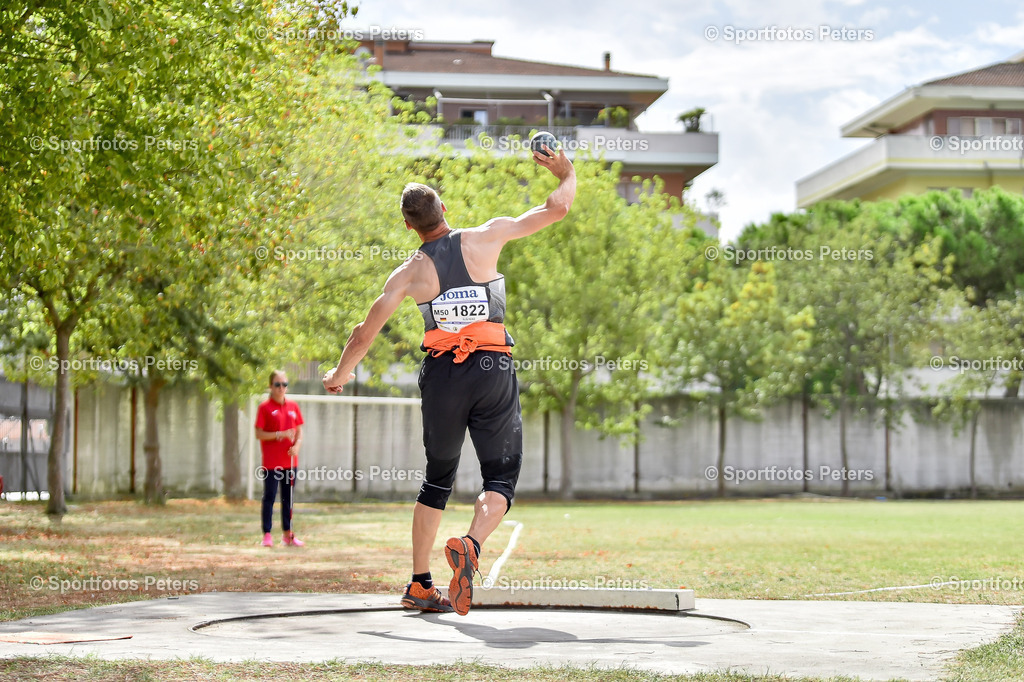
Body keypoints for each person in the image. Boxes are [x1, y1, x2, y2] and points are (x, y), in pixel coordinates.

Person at [322, 145, 576, 615]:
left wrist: (339, 375)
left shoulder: (407, 274)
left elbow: (364, 332)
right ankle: (472, 546)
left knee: (436, 479)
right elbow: (557, 207)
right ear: (444, 211)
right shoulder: (486, 236)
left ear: (408, 226)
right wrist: (565, 170)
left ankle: (420, 583)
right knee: (499, 478)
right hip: (491, 369)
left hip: (442, 377)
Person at [254, 369, 305, 547]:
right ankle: (267, 534)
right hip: (271, 463)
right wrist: (279, 434)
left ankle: (287, 534)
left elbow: (299, 431)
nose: (281, 388)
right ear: (270, 386)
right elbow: (258, 433)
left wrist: (297, 446)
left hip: (290, 463)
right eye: (277, 384)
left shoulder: (293, 407)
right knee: (269, 497)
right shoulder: (264, 408)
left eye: (284, 384)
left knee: (288, 499)